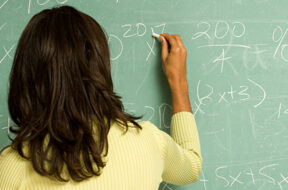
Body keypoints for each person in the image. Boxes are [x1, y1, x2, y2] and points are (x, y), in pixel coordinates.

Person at [0, 5, 202, 189]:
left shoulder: (12, 166)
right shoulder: (150, 142)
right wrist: (178, 82)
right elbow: (192, 166)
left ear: (26, 77)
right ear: (99, 67)